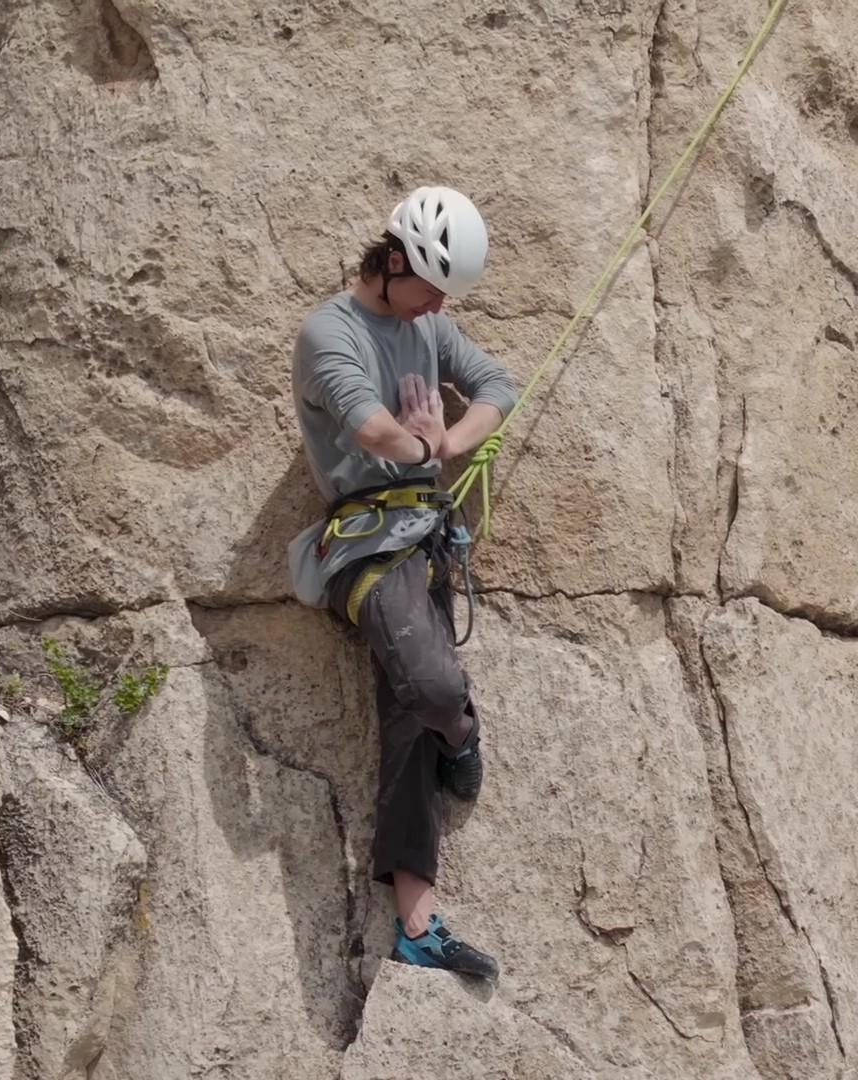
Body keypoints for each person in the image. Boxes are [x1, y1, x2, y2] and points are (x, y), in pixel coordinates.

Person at [286, 186, 519, 979]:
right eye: (430, 284)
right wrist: (420, 450)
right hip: (365, 543)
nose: (440, 304)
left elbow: (499, 387)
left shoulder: (430, 326)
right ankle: (464, 730)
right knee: (430, 684)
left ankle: (416, 925)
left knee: (405, 718)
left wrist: (449, 439)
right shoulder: (330, 333)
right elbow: (365, 423)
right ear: (392, 262)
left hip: (426, 533)